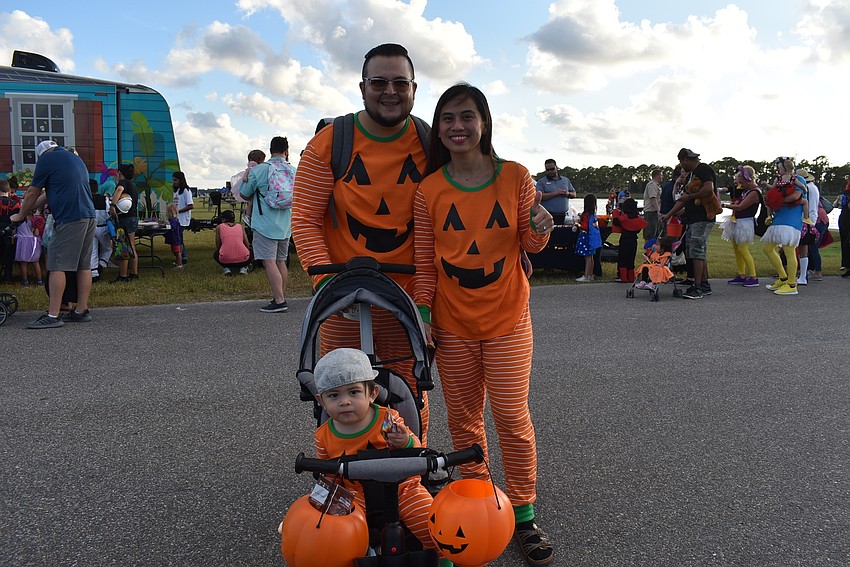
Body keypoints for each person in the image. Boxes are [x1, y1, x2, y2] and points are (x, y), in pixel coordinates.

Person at [412, 82, 555, 566]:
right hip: (452, 325)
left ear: (484, 122)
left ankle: (523, 510)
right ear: (440, 127)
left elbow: (531, 247)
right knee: (465, 420)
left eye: (467, 116)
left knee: (512, 418)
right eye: (448, 118)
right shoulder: (428, 190)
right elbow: (426, 261)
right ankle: (474, 506)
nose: (457, 126)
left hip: (508, 318)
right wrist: (424, 313)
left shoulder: (515, 178)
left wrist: (540, 225)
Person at [292, 43, 433, 440]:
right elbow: (304, 219)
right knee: (343, 397)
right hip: (344, 299)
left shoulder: (428, 142)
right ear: (362, 87)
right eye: (379, 82)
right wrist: (327, 287)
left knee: (412, 397)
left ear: (414, 88)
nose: (390, 91)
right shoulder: (330, 142)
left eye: (399, 82)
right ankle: (345, 476)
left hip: (407, 297)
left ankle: (410, 478)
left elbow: (455, 214)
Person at [311, 348, 454, 567]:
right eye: (334, 395)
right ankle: (357, 553)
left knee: (436, 527)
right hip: (354, 491)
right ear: (321, 400)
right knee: (337, 534)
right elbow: (328, 474)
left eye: (354, 392)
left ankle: (443, 561)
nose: (345, 401)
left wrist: (405, 441)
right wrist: (318, 506)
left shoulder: (387, 419)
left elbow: (416, 451)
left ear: (372, 394)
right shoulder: (324, 435)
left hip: (403, 487)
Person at [11, 140, 96, 327]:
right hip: (89, 216)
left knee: (57, 264)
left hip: (69, 218)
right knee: (83, 265)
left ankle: (53, 315)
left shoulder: (47, 159)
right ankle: (81, 310)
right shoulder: (73, 158)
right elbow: (47, 195)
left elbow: (33, 192)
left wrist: (19, 215)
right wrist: (28, 211)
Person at [240, 136, 292, 312]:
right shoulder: (293, 170)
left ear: (270, 149)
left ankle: (279, 301)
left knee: (268, 262)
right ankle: (281, 295)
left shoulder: (261, 170)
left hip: (265, 223)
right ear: (286, 150)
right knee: (281, 261)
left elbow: (245, 194)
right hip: (285, 224)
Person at [661, 148, 717, 300]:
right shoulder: (692, 175)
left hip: (703, 218)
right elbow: (683, 199)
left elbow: (708, 188)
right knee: (696, 252)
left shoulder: (703, 169)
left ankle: (697, 287)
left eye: (681, 161)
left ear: (686, 159)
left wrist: (691, 196)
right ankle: (704, 284)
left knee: (697, 252)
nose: (680, 165)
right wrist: (669, 214)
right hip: (692, 219)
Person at [761, 156, 805, 295]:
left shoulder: (798, 179)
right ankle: (783, 277)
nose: (777, 170)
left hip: (791, 221)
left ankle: (792, 285)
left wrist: (776, 199)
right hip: (779, 219)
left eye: (779, 167)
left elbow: (795, 196)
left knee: (789, 250)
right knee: (768, 248)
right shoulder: (779, 181)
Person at [721, 165, 761, 287]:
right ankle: (741, 274)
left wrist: (725, 205)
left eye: (741, 180)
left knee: (743, 249)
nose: (739, 183)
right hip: (738, 220)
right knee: (737, 249)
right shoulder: (746, 190)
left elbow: (741, 206)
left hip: (745, 222)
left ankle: (753, 277)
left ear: (747, 178)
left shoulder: (754, 191)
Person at [110, 164, 139, 283]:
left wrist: (112, 205)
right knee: (132, 245)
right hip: (133, 217)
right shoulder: (132, 185)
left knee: (123, 246)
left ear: (120, 173)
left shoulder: (122, 183)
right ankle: (134, 273)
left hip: (124, 218)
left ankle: (123, 275)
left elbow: (119, 190)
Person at [612, 197, 647, 284]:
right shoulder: (638, 218)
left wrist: (616, 212)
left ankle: (623, 277)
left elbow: (616, 222)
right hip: (633, 240)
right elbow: (638, 229)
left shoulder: (625, 218)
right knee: (631, 259)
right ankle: (631, 278)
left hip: (624, 239)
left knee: (622, 259)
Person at [796, 168, 820, 285]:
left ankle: (803, 275)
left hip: (804, 219)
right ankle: (804, 274)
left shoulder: (806, 189)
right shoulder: (814, 188)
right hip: (810, 219)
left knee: (802, 248)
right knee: (804, 248)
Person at [535, 158, 576, 225]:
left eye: (552, 169)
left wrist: (567, 193)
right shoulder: (541, 182)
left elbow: (574, 194)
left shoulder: (565, 180)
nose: (550, 171)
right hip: (547, 215)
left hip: (563, 216)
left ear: (556, 167)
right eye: (548, 170)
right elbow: (540, 197)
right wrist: (555, 193)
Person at [213, 209, 251, 275]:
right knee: (252, 252)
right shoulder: (240, 226)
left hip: (225, 260)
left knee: (216, 254)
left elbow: (218, 244)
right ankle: (243, 268)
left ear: (223, 219)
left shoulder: (219, 227)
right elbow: (246, 243)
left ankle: (226, 269)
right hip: (244, 260)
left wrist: (221, 251)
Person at [88, 179, 111, 283]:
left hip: (91, 228)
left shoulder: (86, 199)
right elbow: (108, 212)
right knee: (107, 249)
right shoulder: (104, 199)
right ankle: (102, 264)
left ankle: (94, 273)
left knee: (93, 251)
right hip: (103, 227)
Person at [575, 193, 602, 282]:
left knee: (587, 257)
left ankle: (586, 276)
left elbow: (585, 227)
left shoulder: (587, 215)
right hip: (592, 238)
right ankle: (590, 274)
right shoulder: (593, 214)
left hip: (586, 237)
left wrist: (577, 224)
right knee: (591, 257)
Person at [14, 208, 44, 287]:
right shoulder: (35, 219)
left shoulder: (18, 219)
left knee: (23, 263)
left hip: (22, 242)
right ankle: (39, 280)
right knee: (36, 262)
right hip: (33, 242)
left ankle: (25, 281)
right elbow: (37, 234)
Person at [0, 179, 22, 283]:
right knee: (8, 257)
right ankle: (8, 277)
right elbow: (19, 219)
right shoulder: (14, 204)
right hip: (9, 233)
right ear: (8, 190)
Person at [171, 171, 193, 264]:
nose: (174, 182)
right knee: (178, 238)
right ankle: (182, 257)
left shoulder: (186, 191)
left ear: (181, 180)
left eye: (175, 180)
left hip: (182, 219)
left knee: (178, 238)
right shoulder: (176, 191)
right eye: (173, 180)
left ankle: (182, 257)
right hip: (176, 218)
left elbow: (191, 205)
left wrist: (178, 211)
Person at [836, 177, 850, 276]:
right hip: (844, 216)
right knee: (845, 241)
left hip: (846, 216)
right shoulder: (845, 191)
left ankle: (846, 264)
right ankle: (845, 263)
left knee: (846, 242)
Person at [163, 204, 184, 270]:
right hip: (175, 239)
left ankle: (180, 265)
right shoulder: (173, 220)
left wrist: (167, 225)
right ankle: (178, 262)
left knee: (177, 252)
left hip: (176, 240)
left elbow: (172, 228)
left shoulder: (173, 220)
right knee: (175, 252)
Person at [643, 169, 662, 240]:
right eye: (661, 175)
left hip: (653, 213)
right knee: (650, 235)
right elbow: (653, 199)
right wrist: (659, 210)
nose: (661, 177)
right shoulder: (652, 185)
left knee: (655, 235)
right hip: (651, 212)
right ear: (657, 175)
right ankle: (648, 250)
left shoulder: (656, 186)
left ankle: (653, 250)